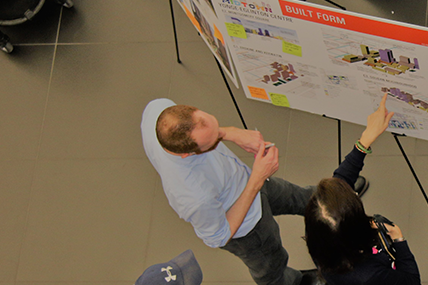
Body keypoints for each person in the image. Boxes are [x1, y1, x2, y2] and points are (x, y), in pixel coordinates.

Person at [141, 98, 366, 285]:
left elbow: (209, 132)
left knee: (299, 196)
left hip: (250, 182)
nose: (218, 137)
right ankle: (296, 282)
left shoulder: (159, 110)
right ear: (187, 154)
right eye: (211, 143)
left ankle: (338, 199)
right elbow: (218, 236)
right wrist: (256, 181)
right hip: (247, 228)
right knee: (272, 267)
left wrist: (231, 134)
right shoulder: (192, 196)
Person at [304, 95, 421, 285]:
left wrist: (366, 139)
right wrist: (399, 240)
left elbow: (340, 180)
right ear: (357, 229)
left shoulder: (320, 233)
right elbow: (411, 281)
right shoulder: (368, 274)